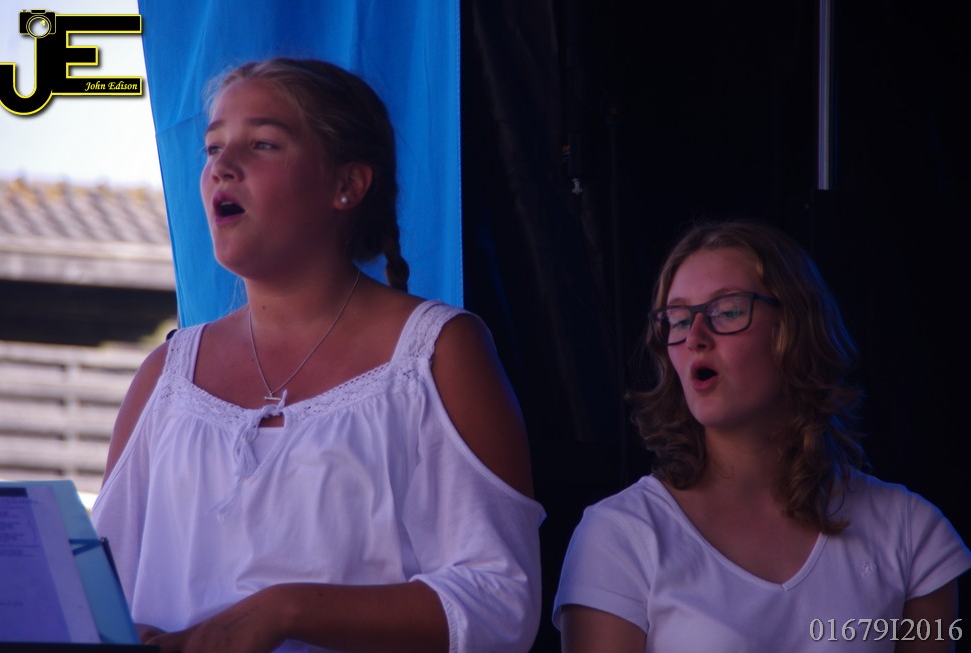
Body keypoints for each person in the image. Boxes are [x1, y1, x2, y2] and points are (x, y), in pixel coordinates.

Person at [92, 57, 543, 653]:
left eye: (262, 144)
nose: (222, 166)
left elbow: (501, 599)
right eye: (212, 148)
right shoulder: (167, 376)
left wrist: (286, 610)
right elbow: (94, 594)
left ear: (347, 184)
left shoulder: (435, 353)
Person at [553, 221, 971, 652]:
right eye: (677, 320)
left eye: (728, 312)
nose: (695, 338)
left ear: (795, 327)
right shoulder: (620, 537)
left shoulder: (911, 534)